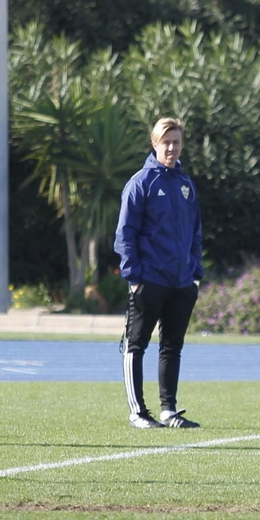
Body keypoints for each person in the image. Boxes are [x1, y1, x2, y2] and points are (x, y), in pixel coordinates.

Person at [114, 116, 204, 429]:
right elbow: (125, 233)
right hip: (149, 280)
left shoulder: (185, 185)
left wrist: (195, 273)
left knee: (172, 347)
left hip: (181, 282)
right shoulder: (141, 182)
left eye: (176, 142)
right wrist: (134, 277)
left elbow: (195, 233)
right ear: (155, 144)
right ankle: (138, 412)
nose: (172, 148)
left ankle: (169, 410)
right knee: (136, 345)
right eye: (166, 142)